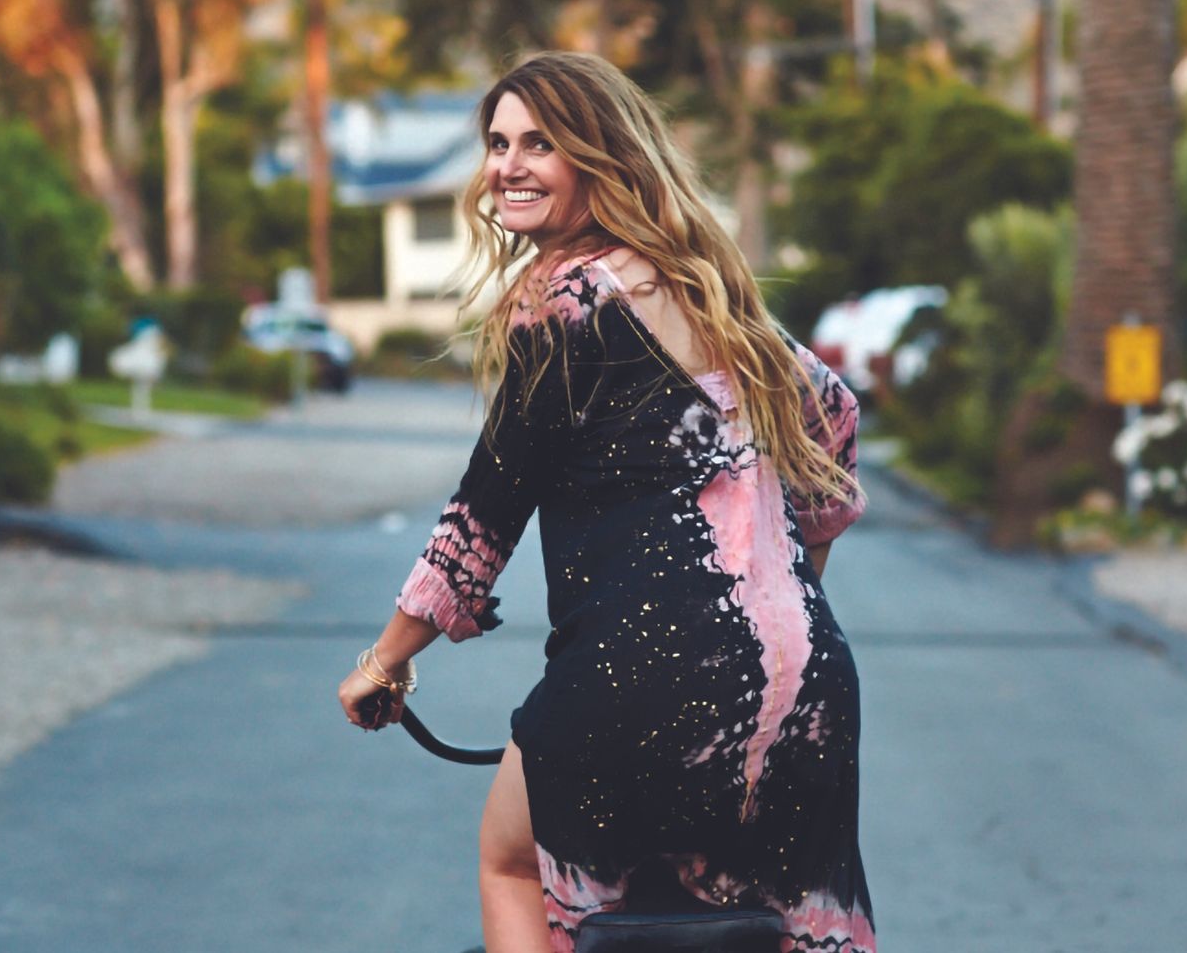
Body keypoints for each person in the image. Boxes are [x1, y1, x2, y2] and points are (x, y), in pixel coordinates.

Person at [338, 51, 874, 953]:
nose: (508, 166)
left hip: (633, 684)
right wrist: (787, 590)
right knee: (786, 923)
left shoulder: (561, 299)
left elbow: (487, 512)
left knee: (508, 863)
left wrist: (384, 665)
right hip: (804, 685)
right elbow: (836, 423)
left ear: (599, 155)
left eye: (539, 143)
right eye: (498, 143)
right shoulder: (718, 293)